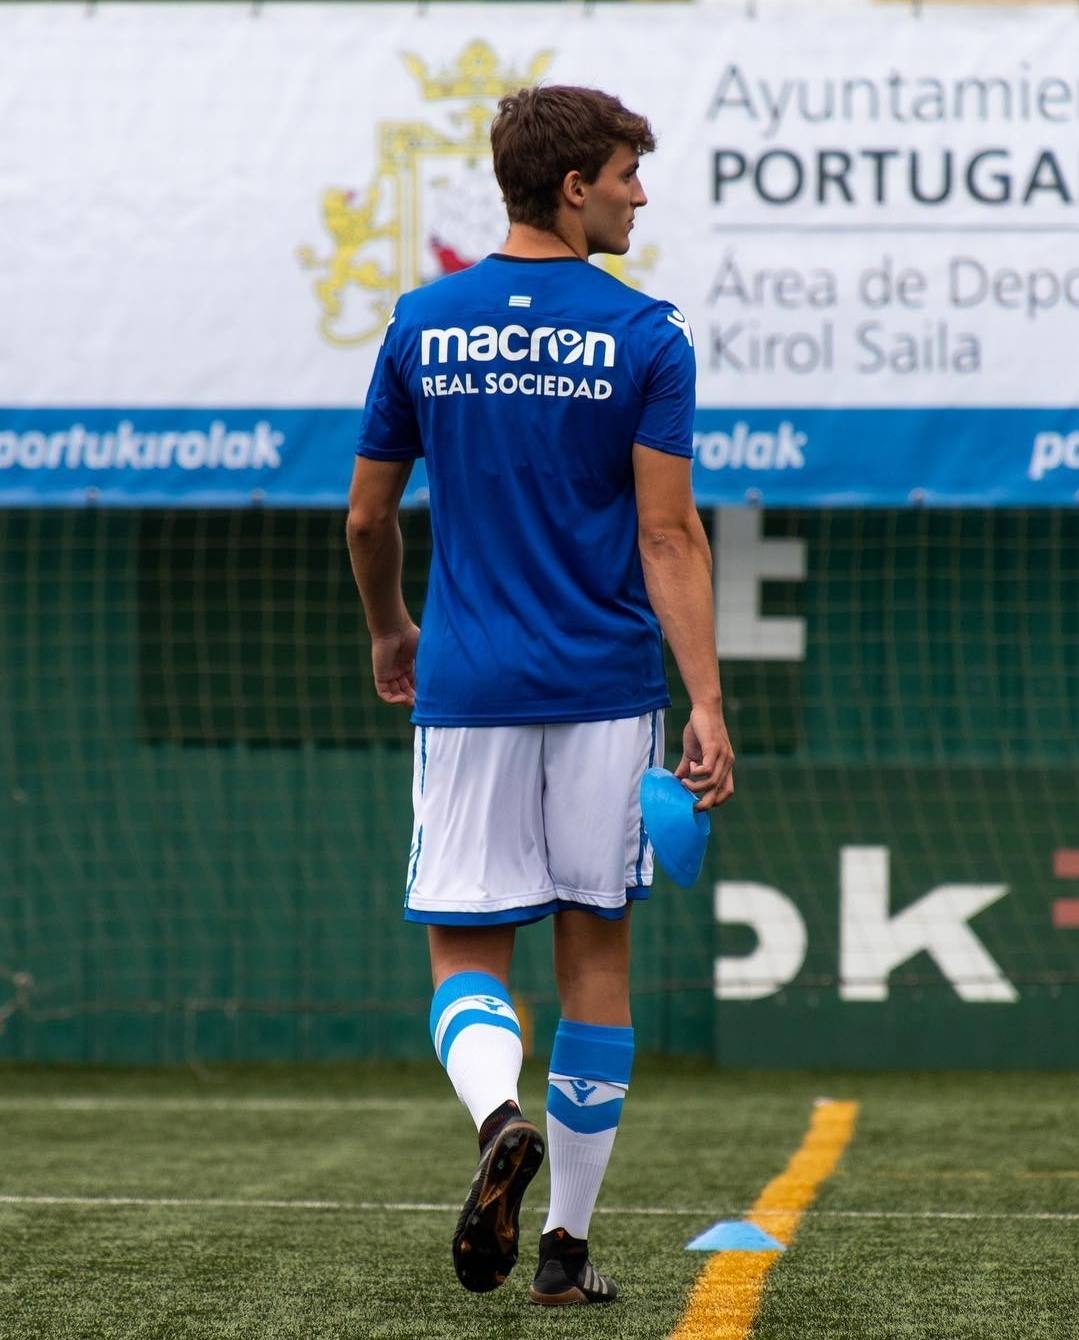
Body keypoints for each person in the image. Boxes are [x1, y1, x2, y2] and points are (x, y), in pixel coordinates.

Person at [346, 84, 734, 1308]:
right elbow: (668, 537)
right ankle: (562, 1252)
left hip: (466, 684)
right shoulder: (647, 332)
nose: (637, 192)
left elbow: (364, 515)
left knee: (466, 950)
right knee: (595, 964)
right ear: (573, 186)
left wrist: (388, 627)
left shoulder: (422, 319)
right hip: (606, 688)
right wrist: (708, 703)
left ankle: (495, 1114)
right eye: (626, 172)